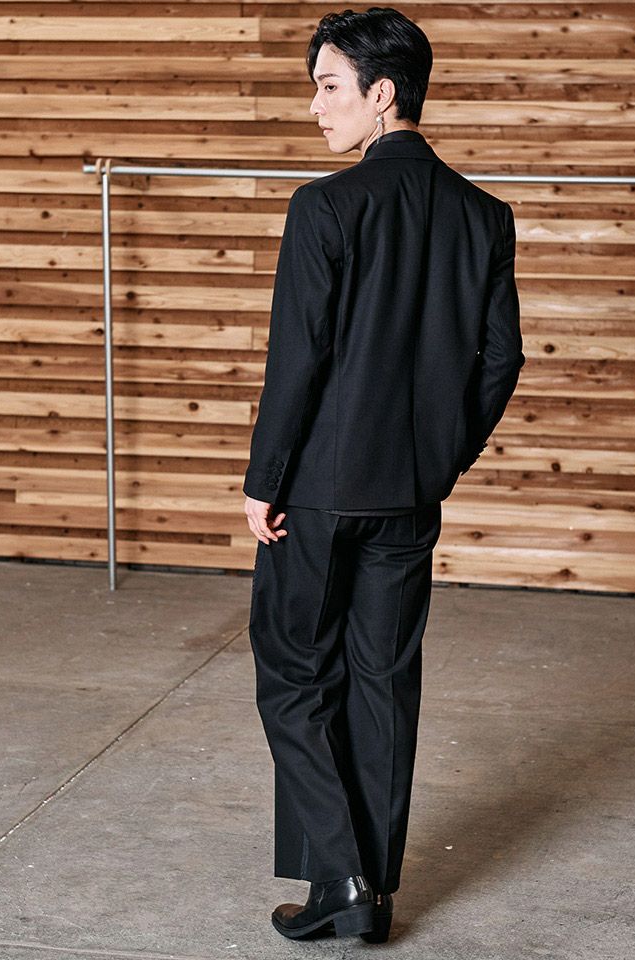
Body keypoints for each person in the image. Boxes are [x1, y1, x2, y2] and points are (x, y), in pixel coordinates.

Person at [242, 6, 525, 943]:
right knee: (383, 684)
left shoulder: (325, 206)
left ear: (382, 93)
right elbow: (500, 360)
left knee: (293, 674)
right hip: (410, 494)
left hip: (317, 491)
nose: (315, 105)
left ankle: (347, 879)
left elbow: (299, 361)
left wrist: (263, 478)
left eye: (328, 85)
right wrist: (439, 455)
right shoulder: (484, 216)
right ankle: (365, 890)